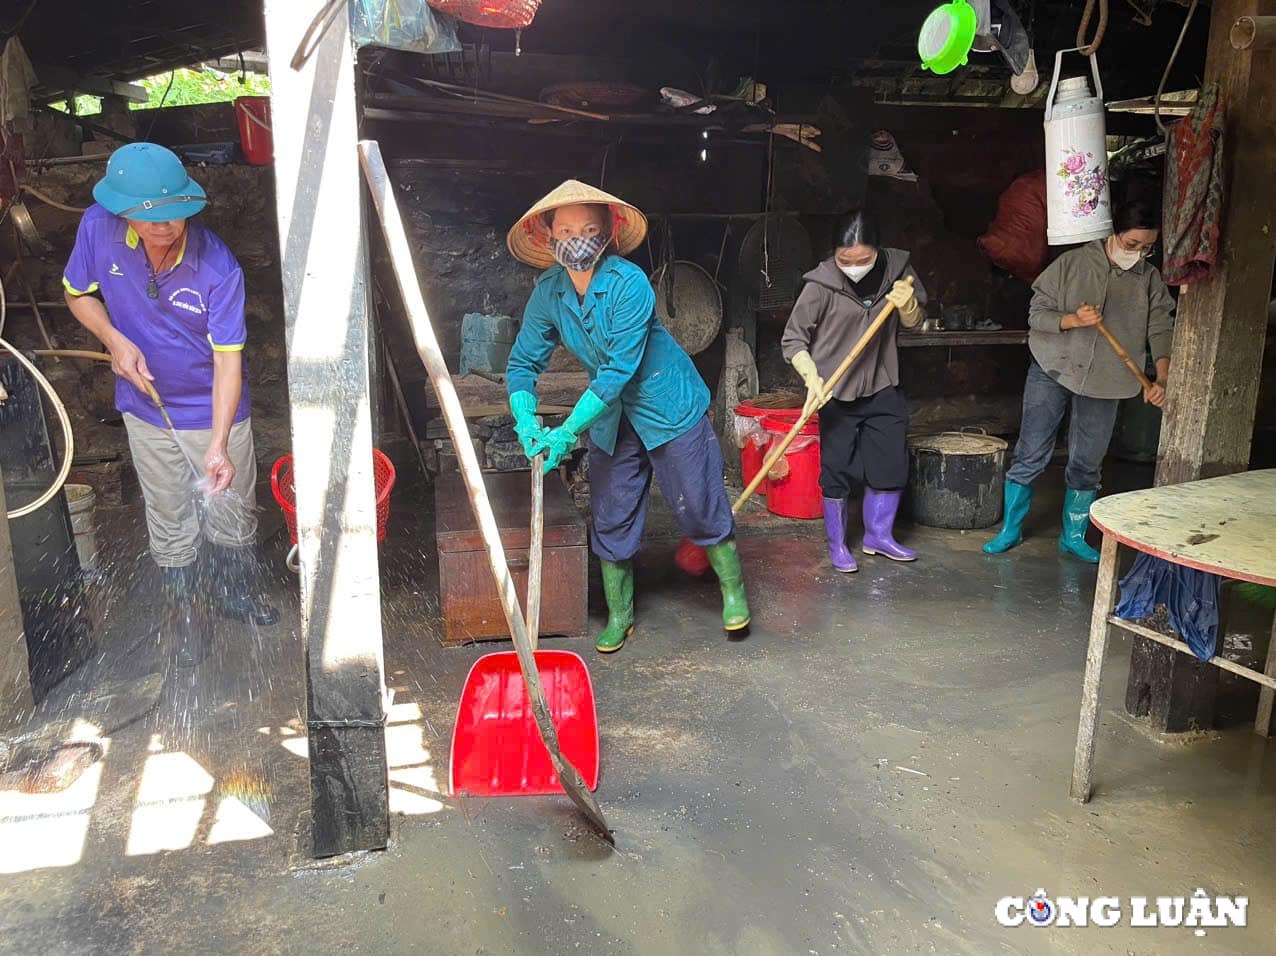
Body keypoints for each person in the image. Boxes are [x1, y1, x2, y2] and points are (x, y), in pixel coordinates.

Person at [504, 180, 749, 653]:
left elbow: (618, 369)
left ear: (608, 232)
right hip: (612, 415)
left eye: (589, 228)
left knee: (697, 501)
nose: (578, 239)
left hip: (667, 403)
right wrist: (526, 421)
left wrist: (567, 433)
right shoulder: (548, 292)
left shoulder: (629, 283)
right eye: (568, 229)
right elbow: (521, 364)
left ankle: (734, 593)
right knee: (612, 509)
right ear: (548, 234)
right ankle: (621, 614)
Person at [63, 143, 278, 667]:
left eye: (177, 214)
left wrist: (220, 444)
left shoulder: (218, 267)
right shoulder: (97, 228)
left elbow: (229, 363)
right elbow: (76, 294)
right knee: (168, 513)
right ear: (123, 212)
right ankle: (187, 609)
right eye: (151, 217)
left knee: (230, 507)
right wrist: (115, 340)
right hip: (145, 408)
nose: (167, 227)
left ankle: (233, 592)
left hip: (214, 409)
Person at [984, 199, 1174, 563]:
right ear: (1114, 233)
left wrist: (1161, 376)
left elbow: (1161, 326)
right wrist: (1072, 319)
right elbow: (1037, 314)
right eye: (1132, 244)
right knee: (1031, 451)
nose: (1138, 253)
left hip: (1109, 377)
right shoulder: (1071, 263)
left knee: (1088, 460)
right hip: (1054, 365)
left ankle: (1073, 536)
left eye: (1147, 247)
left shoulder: (1148, 278)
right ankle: (1010, 529)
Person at [781, 208, 926, 573]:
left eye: (863, 259)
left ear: (877, 250)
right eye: (845, 259)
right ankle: (838, 544)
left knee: (890, 462)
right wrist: (811, 377)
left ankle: (879, 536)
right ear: (834, 253)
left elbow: (916, 323)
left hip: (881, 382)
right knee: (837, 468)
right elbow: (793, 339)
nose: (854, 266)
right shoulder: (821, 284)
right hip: (833, 389)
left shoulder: (898, 272)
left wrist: (907, 306)